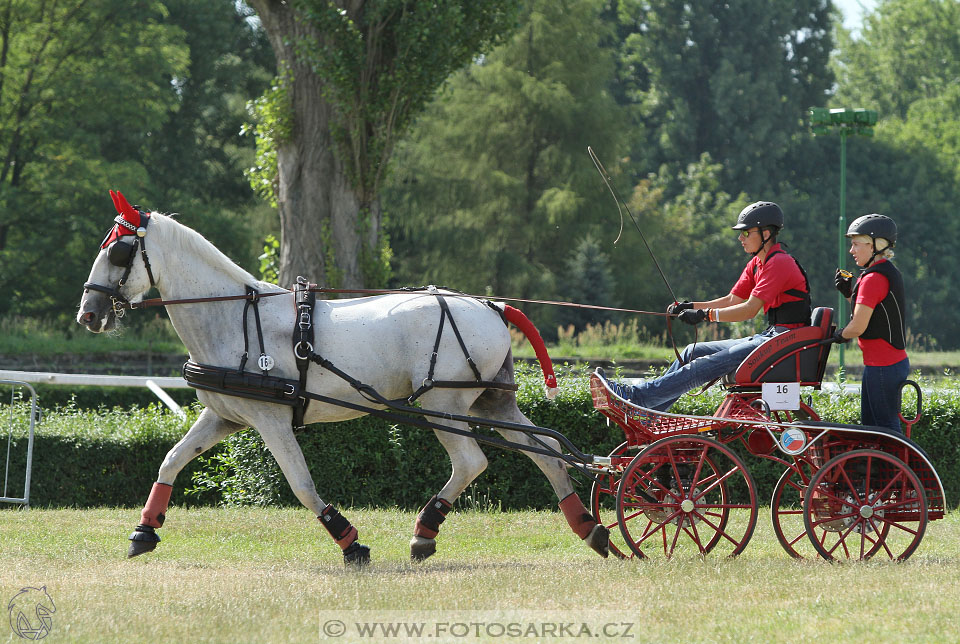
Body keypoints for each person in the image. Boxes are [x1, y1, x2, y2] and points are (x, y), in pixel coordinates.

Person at [599, 201, 811, 411]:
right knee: (692, 351)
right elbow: (732, 300)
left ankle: (637, 397)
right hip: (770, 338)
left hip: (784, 343)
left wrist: (704, 315)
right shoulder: (757, 264)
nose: (740, 238)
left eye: (746, 232)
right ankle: (650, 413)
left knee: (703, 364)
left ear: (766, 233)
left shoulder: (779, 263)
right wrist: (691, 306)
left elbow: (748, 310)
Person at [832, 214, 908, 434]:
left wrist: (838, 335)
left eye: (856, 244)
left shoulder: (873, 278)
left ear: (875, 245)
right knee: (872, 429)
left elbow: (858, 326)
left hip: (883, 366)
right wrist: (849, 294)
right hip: (882, 364)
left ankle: (897, 468)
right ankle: (883, 467)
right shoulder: (881, 273)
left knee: (884, 429)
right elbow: (870, 316)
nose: (851, 250)